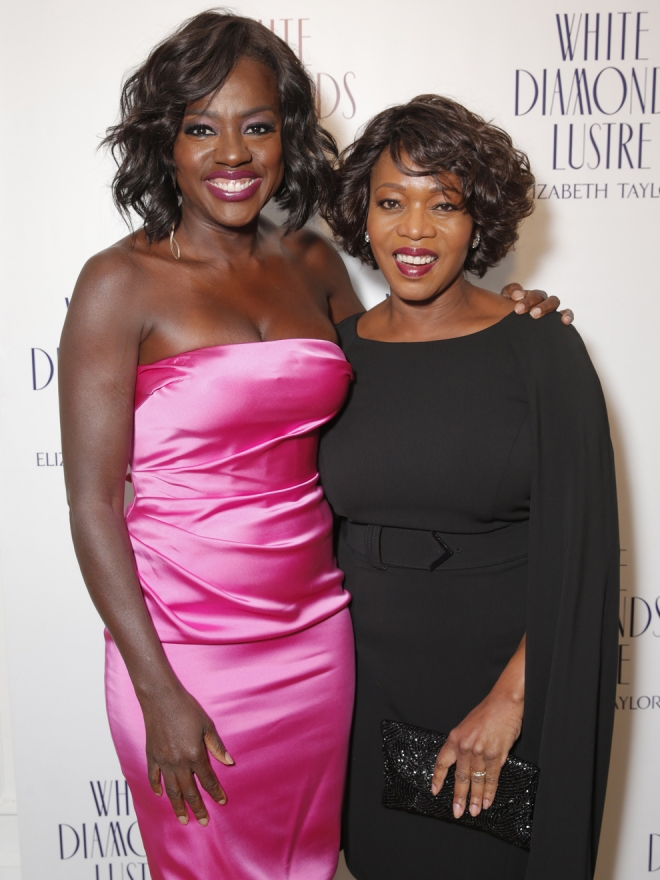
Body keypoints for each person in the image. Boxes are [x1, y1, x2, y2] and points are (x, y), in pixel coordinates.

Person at [58, 12, 565, 880]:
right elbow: (93, 504)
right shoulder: (119, 283)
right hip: (185, 656)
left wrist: (508, 316)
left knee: (312, 865)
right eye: (201, 127)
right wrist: (157, 693)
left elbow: (407, 373)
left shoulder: (312, 262)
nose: (233, 153)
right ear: (164, 142)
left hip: (318, 641)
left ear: (288, 137)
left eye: (258, 127)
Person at [319, 95, 618, 880]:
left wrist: (509, 704)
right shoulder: (332, 354)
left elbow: (582, 558)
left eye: (442, 205)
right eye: (391, 202)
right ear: (362, 214)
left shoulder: (541, 352)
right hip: (363, 692)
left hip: (493, 697)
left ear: (477, 217)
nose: (413, 232)